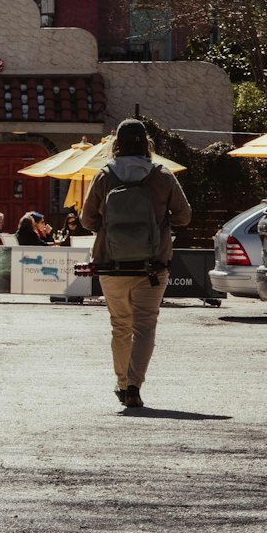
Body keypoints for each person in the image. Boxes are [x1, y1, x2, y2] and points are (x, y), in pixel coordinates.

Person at [80, 118, 192, 409]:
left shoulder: (104, 175)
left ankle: (120, 383)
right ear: (147, 144)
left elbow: (87, 220)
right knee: (145, 327)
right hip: (152, 265)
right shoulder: (162, 175)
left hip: (111, 263)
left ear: (116, 144)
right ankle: (134, 386)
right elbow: (184, 216)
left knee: (120, 326)